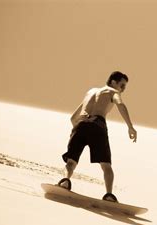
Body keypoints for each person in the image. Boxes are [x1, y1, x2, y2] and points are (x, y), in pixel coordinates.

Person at [58, 71, 137, 202]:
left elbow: (73, 118)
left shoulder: (91, 92)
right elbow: (121, 105)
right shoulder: (113, 92)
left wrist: (76, 132)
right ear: (113, 82)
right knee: (106, 165)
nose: (123, 89)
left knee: (71, 160)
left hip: (81, 124)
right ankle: (109, 195)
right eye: (122, 85)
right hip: (98, 125)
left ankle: (65, 181)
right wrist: (130, 126)